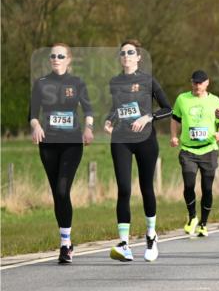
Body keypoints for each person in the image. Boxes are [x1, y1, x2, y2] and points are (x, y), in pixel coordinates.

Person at [104, 40, 172, 262]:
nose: (126, 55)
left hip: (145, 139)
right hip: (121, 139)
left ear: (138, 56)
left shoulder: (148, 79)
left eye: (130, 52)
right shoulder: (115, 82)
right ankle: (124, 244)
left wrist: (148, 117)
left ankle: (151, 236)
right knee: (124, 189)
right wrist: (109, 121)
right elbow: (116, 110)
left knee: (146, 187)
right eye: (122, 52)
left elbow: (167, 109)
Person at [29, 43, 95, 264]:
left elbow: (88, 109)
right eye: (53, 56)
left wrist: (88, 128)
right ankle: (66, 241)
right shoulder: (41, 83)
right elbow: (32, 112)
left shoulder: (77, 83)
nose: (56, 59)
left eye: (61, 56)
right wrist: (36, 125)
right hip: (48, 143)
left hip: (71, 143)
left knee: (62, 188)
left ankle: (65, 246)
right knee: (57, 194)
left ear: (69, 60)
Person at [170, 70, 219, 238]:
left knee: (207, 188)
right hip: (188, 150)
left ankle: (203, 223)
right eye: (195, 82)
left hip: (209, 150)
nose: (197, 85)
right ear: (191, 82)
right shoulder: (182, 99)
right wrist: (174, 136)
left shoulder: (215, 101)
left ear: (207, 83)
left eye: (200, 82)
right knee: (189, 184)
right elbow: (175, 119)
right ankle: (192, 217)